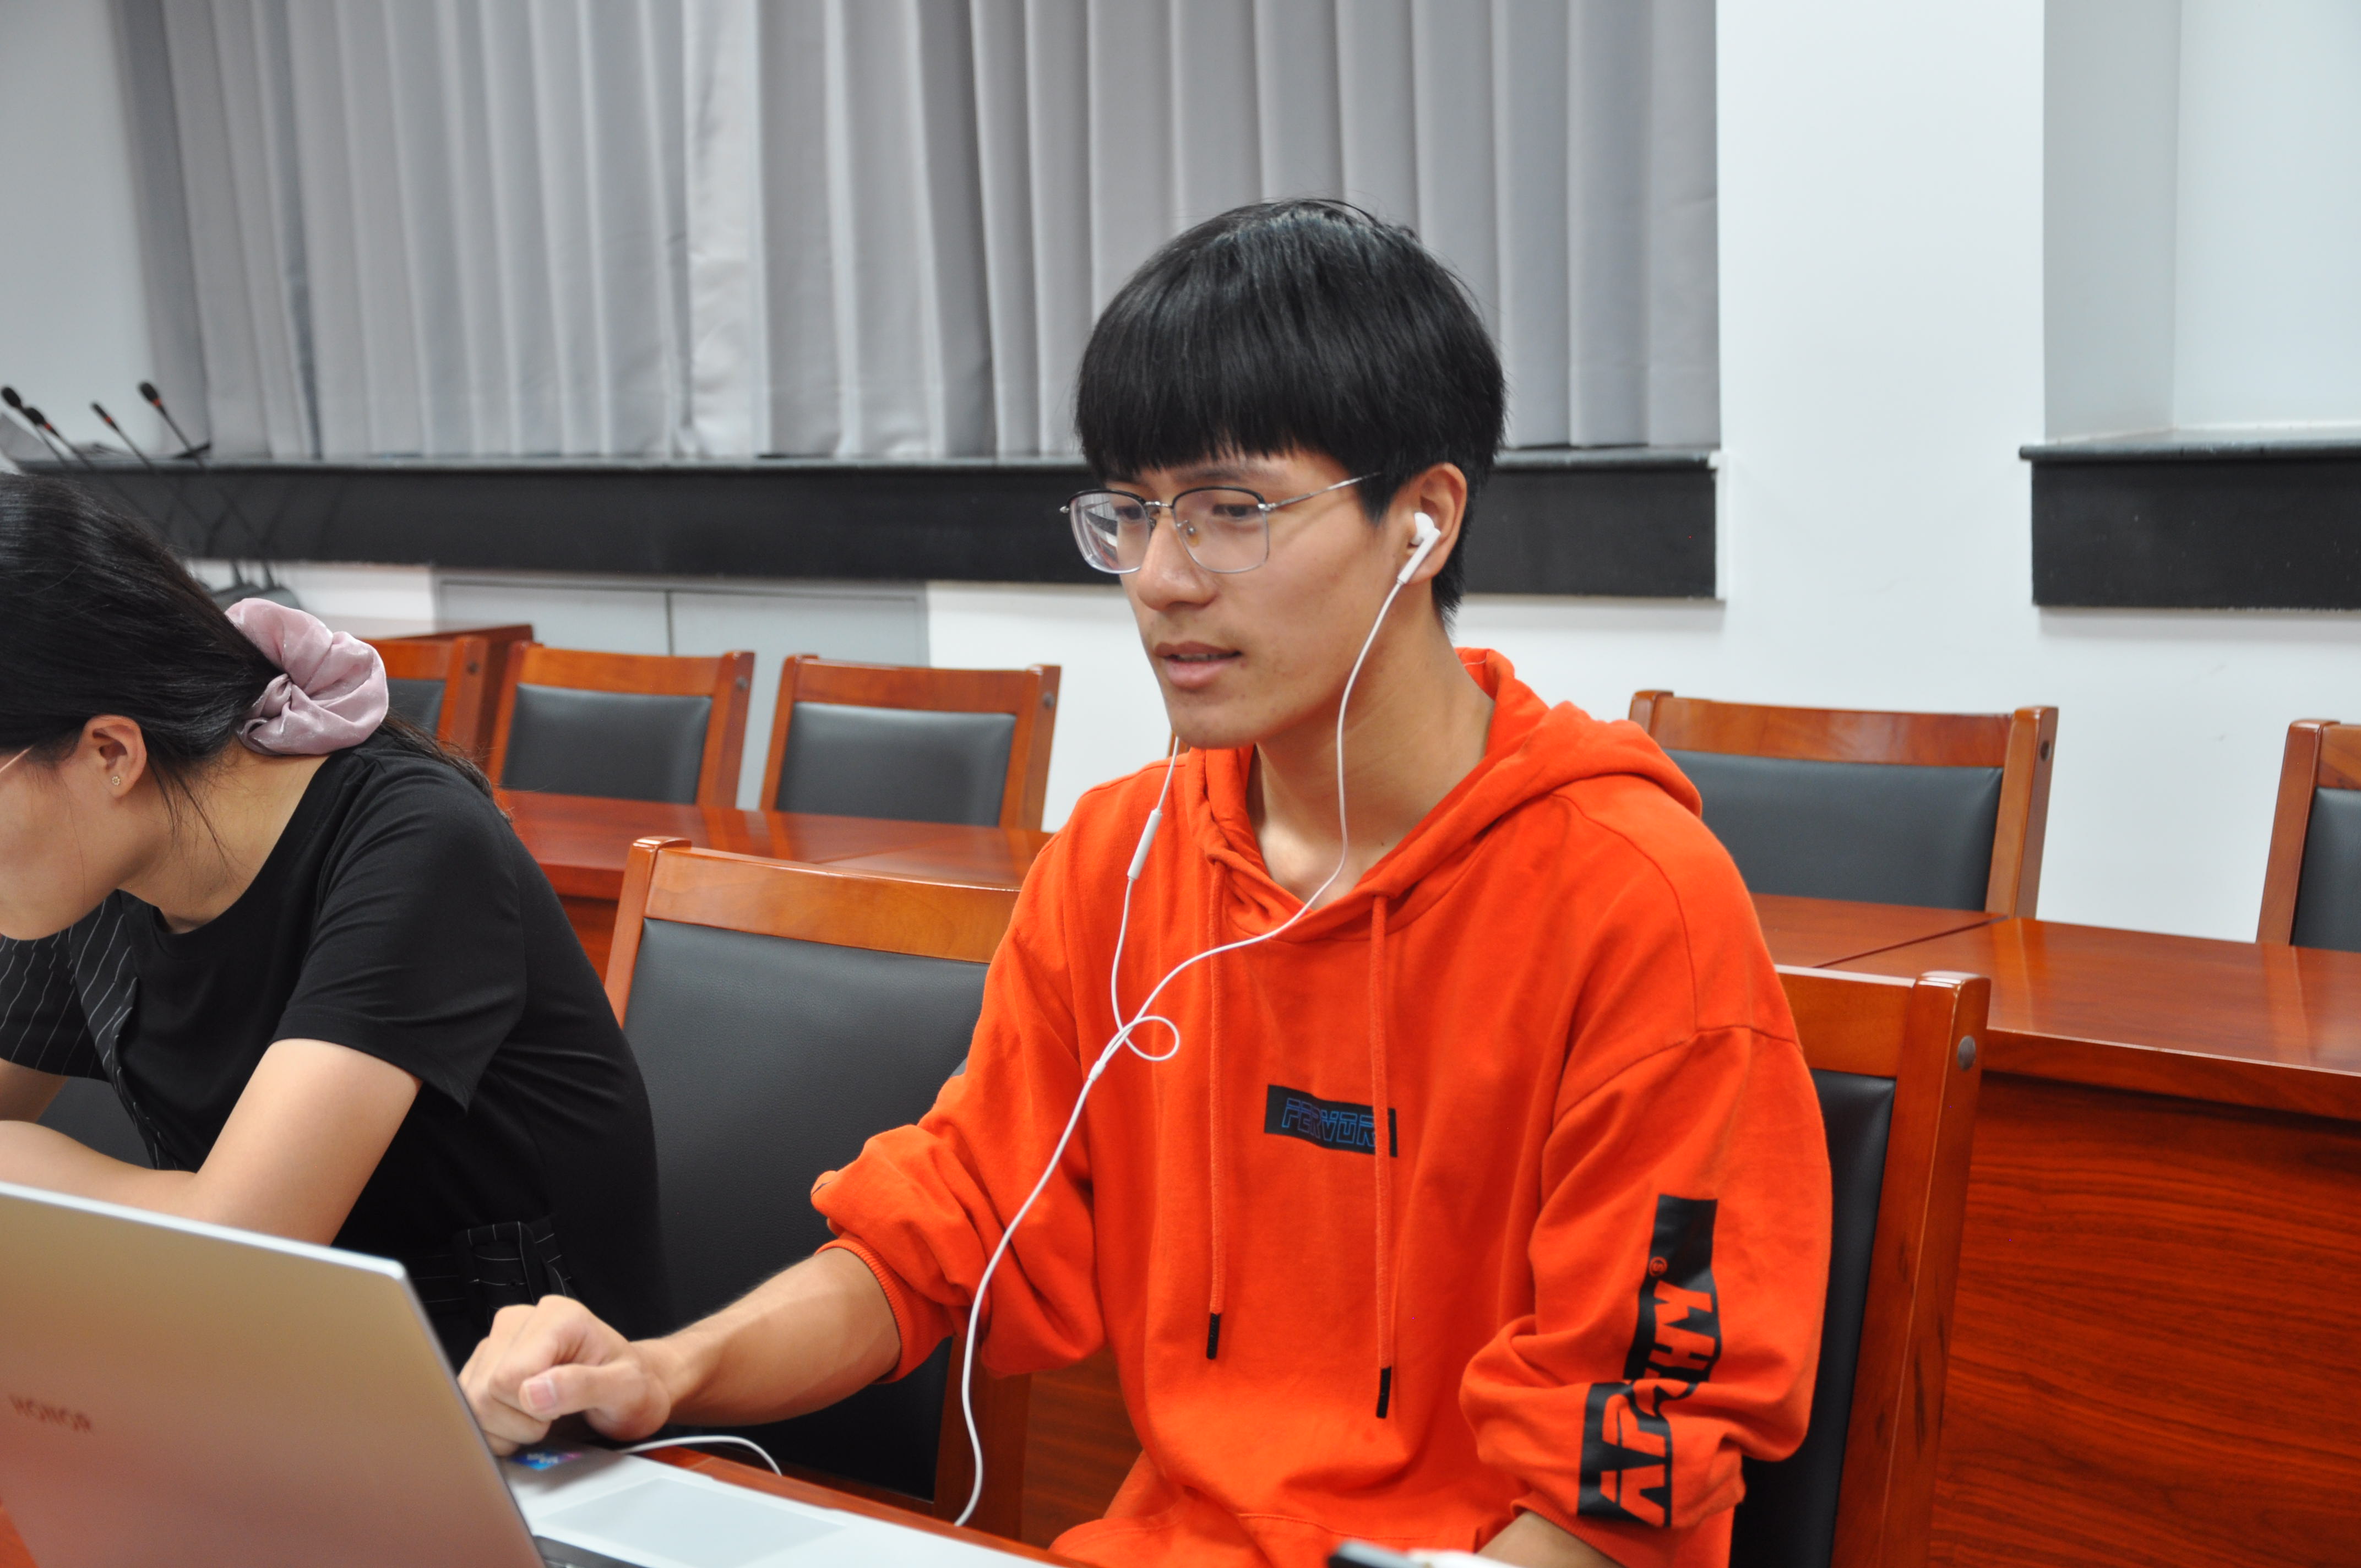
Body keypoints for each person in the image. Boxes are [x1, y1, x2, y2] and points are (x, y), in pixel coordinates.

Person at [464, 199, 1830, 1568]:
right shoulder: (1122, 861)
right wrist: (661, 1373)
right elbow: (936, 1236)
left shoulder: (1632, 900)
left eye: (1232, 511)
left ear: (1421, 521)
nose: (1162, 578)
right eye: (1132, 512)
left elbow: (1625, 1471)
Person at [0, 475, 668, 1367]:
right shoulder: (92, 866)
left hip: (523, 1398)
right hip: (271, 1371)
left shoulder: (414, 842)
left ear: (111, 753)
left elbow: (243, 1242)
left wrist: (18, 1168)